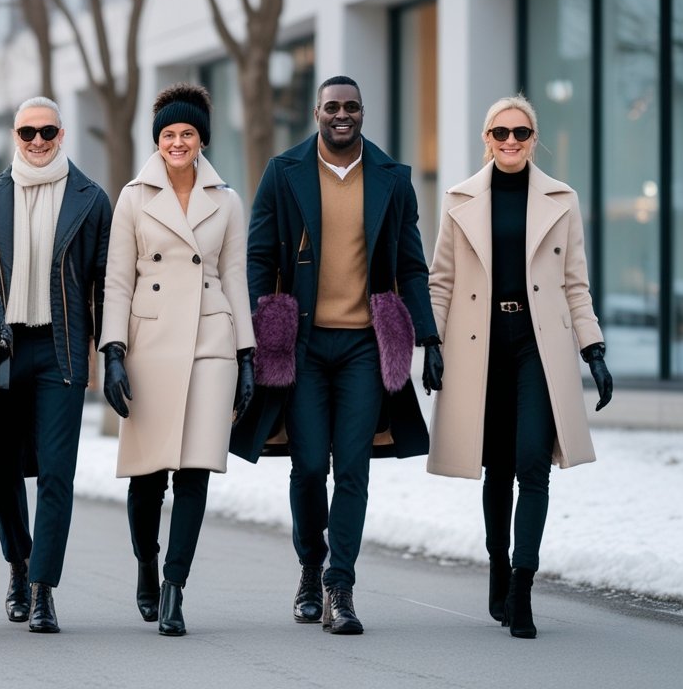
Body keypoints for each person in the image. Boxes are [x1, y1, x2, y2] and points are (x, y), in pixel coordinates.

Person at [234, 75, 442, 635]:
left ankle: (339, 585)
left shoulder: (394, 179)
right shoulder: (284, 173)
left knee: (351, 468)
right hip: (301, 345)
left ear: (363, 113)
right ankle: (309, 568)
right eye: (332, 107)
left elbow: (411, 266)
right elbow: (257, 256)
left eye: (350, 106)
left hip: (363, 348)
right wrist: (258, 330)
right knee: (307, 468)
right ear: (317, 112)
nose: (341, 115)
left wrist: (429, 338)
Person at [425, 94, 612, 639]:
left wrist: (592, 349)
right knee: (498, 468)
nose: (511, 141)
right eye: (501, 132)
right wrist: (431, 343)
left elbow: (575, 283)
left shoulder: (562, 199)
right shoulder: (460, 198)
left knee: (532, 462)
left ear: (534, 139)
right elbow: (442, 280)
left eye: (521, 133)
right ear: (487, 138)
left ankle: (523, 584)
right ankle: (498, 566)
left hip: (538, 344)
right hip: (480, 344)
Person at [99, 83, 255, 637]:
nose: (178, 142)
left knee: (194, 472)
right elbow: (118, 279)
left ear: (202, 139)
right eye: (169, 134)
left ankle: (173, 586)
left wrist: (247, 352)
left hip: (211, 340)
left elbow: (235, 275)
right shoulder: (133, 197)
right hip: (150, 342)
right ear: (158, 140)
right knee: (147, 478)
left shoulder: (228, 200)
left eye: (187, 133)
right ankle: (146, 563)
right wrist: (112, 351)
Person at [0, 96, 112, 633]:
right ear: (13, 134)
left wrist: (109, 350)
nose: (36, 141)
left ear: (61, 133)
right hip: (4, 350)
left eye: (46, 131)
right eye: (26, 132)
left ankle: (43, 588)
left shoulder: (91, 199)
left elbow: (104, 283)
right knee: (2, 468)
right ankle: (18, 564)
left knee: (56, 472)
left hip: (62, 349)